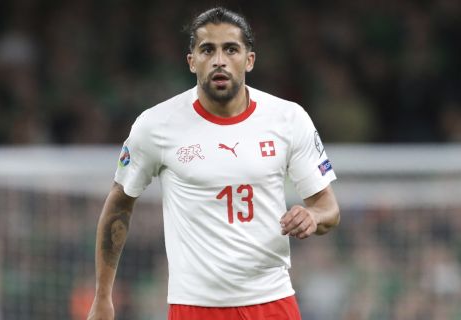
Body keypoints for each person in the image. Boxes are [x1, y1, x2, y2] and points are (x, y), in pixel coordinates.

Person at [87, 7, 340, 320]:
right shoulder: (156, 125)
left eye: (230, 49)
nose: (219, 60)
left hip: (271, 302)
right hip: (194, 306)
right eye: (208, 49)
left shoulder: (288, 119)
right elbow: (119, 202)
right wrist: (102, 297)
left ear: (249, 59)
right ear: (192, 61)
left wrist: (313, 216)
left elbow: (329, 207)